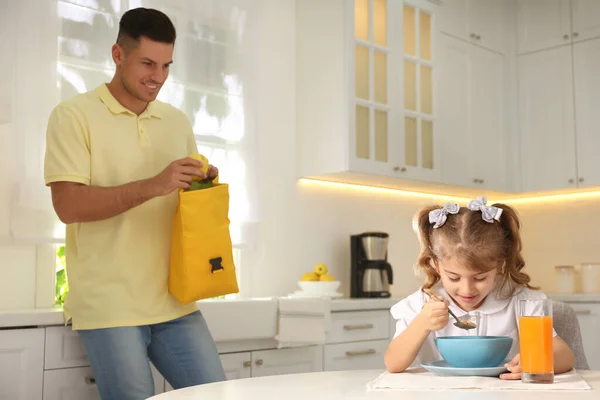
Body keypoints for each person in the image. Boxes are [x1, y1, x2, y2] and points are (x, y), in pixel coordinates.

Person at [44, 7, 226, 400]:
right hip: (110, 304)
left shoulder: (177, 122)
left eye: (166, 66)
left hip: (175, 299)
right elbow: (68, 205)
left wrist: (201, 184)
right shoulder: (73, 116)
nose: (158, 77)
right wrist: (152, 184)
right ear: (117, 55)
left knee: (218, 396)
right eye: (147, 63)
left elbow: (180, 203)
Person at [384, 197, 575, 379]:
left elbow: (565, 357)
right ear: (436, 264)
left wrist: (534, 361)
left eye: (480, 277)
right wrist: (422, 324)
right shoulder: (421, 303)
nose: (467, 290)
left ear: (499, 264)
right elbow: (393, 363)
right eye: (454, 277)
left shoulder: (521, 301)